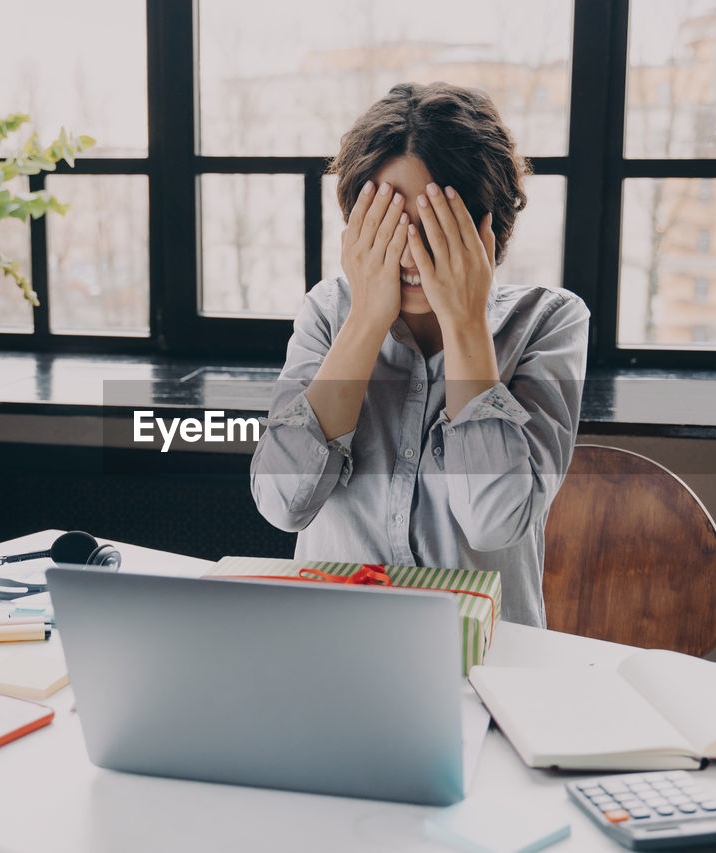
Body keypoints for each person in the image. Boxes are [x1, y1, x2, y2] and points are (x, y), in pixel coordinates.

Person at [249, 82, 589, 627]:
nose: (408, 250)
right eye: (388, 221)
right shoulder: (327, 312)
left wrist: (464, 323)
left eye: (435, 224)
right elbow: (283, 504)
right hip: (335, 640)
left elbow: (495, 521)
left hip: (482, 658)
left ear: (487, 226)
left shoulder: (548, 322)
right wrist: (364, 321)